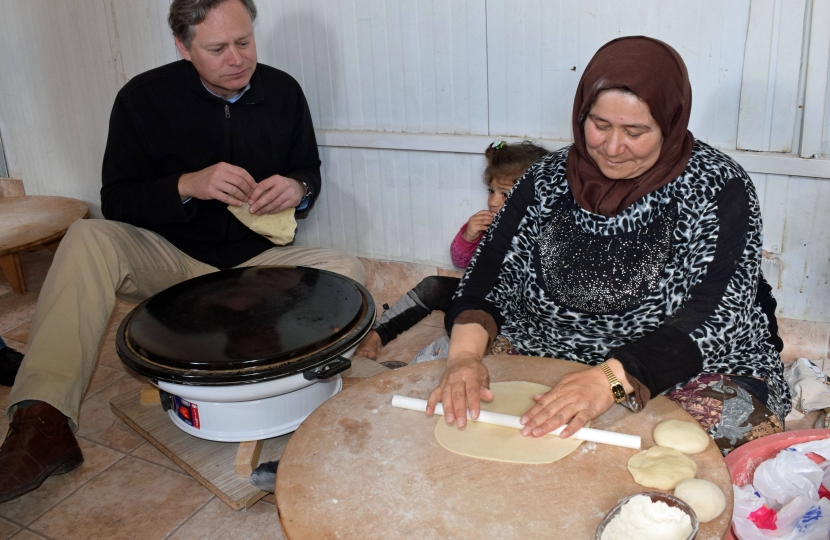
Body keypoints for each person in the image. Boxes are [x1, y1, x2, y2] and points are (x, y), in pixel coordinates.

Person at [0, 0, 365, 504]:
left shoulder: (283, 91)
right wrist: (188, 184)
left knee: (346, 269)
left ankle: (294, 393)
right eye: (217, 48)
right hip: (174, 261)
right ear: (183, 47)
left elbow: (309, 169)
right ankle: (41, 422)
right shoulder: (142, 99)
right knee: (87, 237)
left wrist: (298, 188)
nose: (237, 58)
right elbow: (118, 199)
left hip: (255, 267)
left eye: (245, 41)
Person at [426, 36, 789, 456]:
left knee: (715, 449)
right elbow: (488, 276)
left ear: (670, 124)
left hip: (684, 364)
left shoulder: (718, 188)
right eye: (599, 126)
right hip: (547, 344)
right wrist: (465, 359)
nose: (613, 148)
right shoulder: (542, 180)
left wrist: (609, 380)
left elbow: (716, 313)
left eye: (635, 132)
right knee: (443, 396)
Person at [354, 141, 548, 360]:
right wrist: (468, 236)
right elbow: (460, 261)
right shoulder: (489, 224)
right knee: (433, 286)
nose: (493, 201)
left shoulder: (545, 233)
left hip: (511, 313)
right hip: (478, 299)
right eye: (491, 191)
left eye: (505, 194)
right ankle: (379, 333)